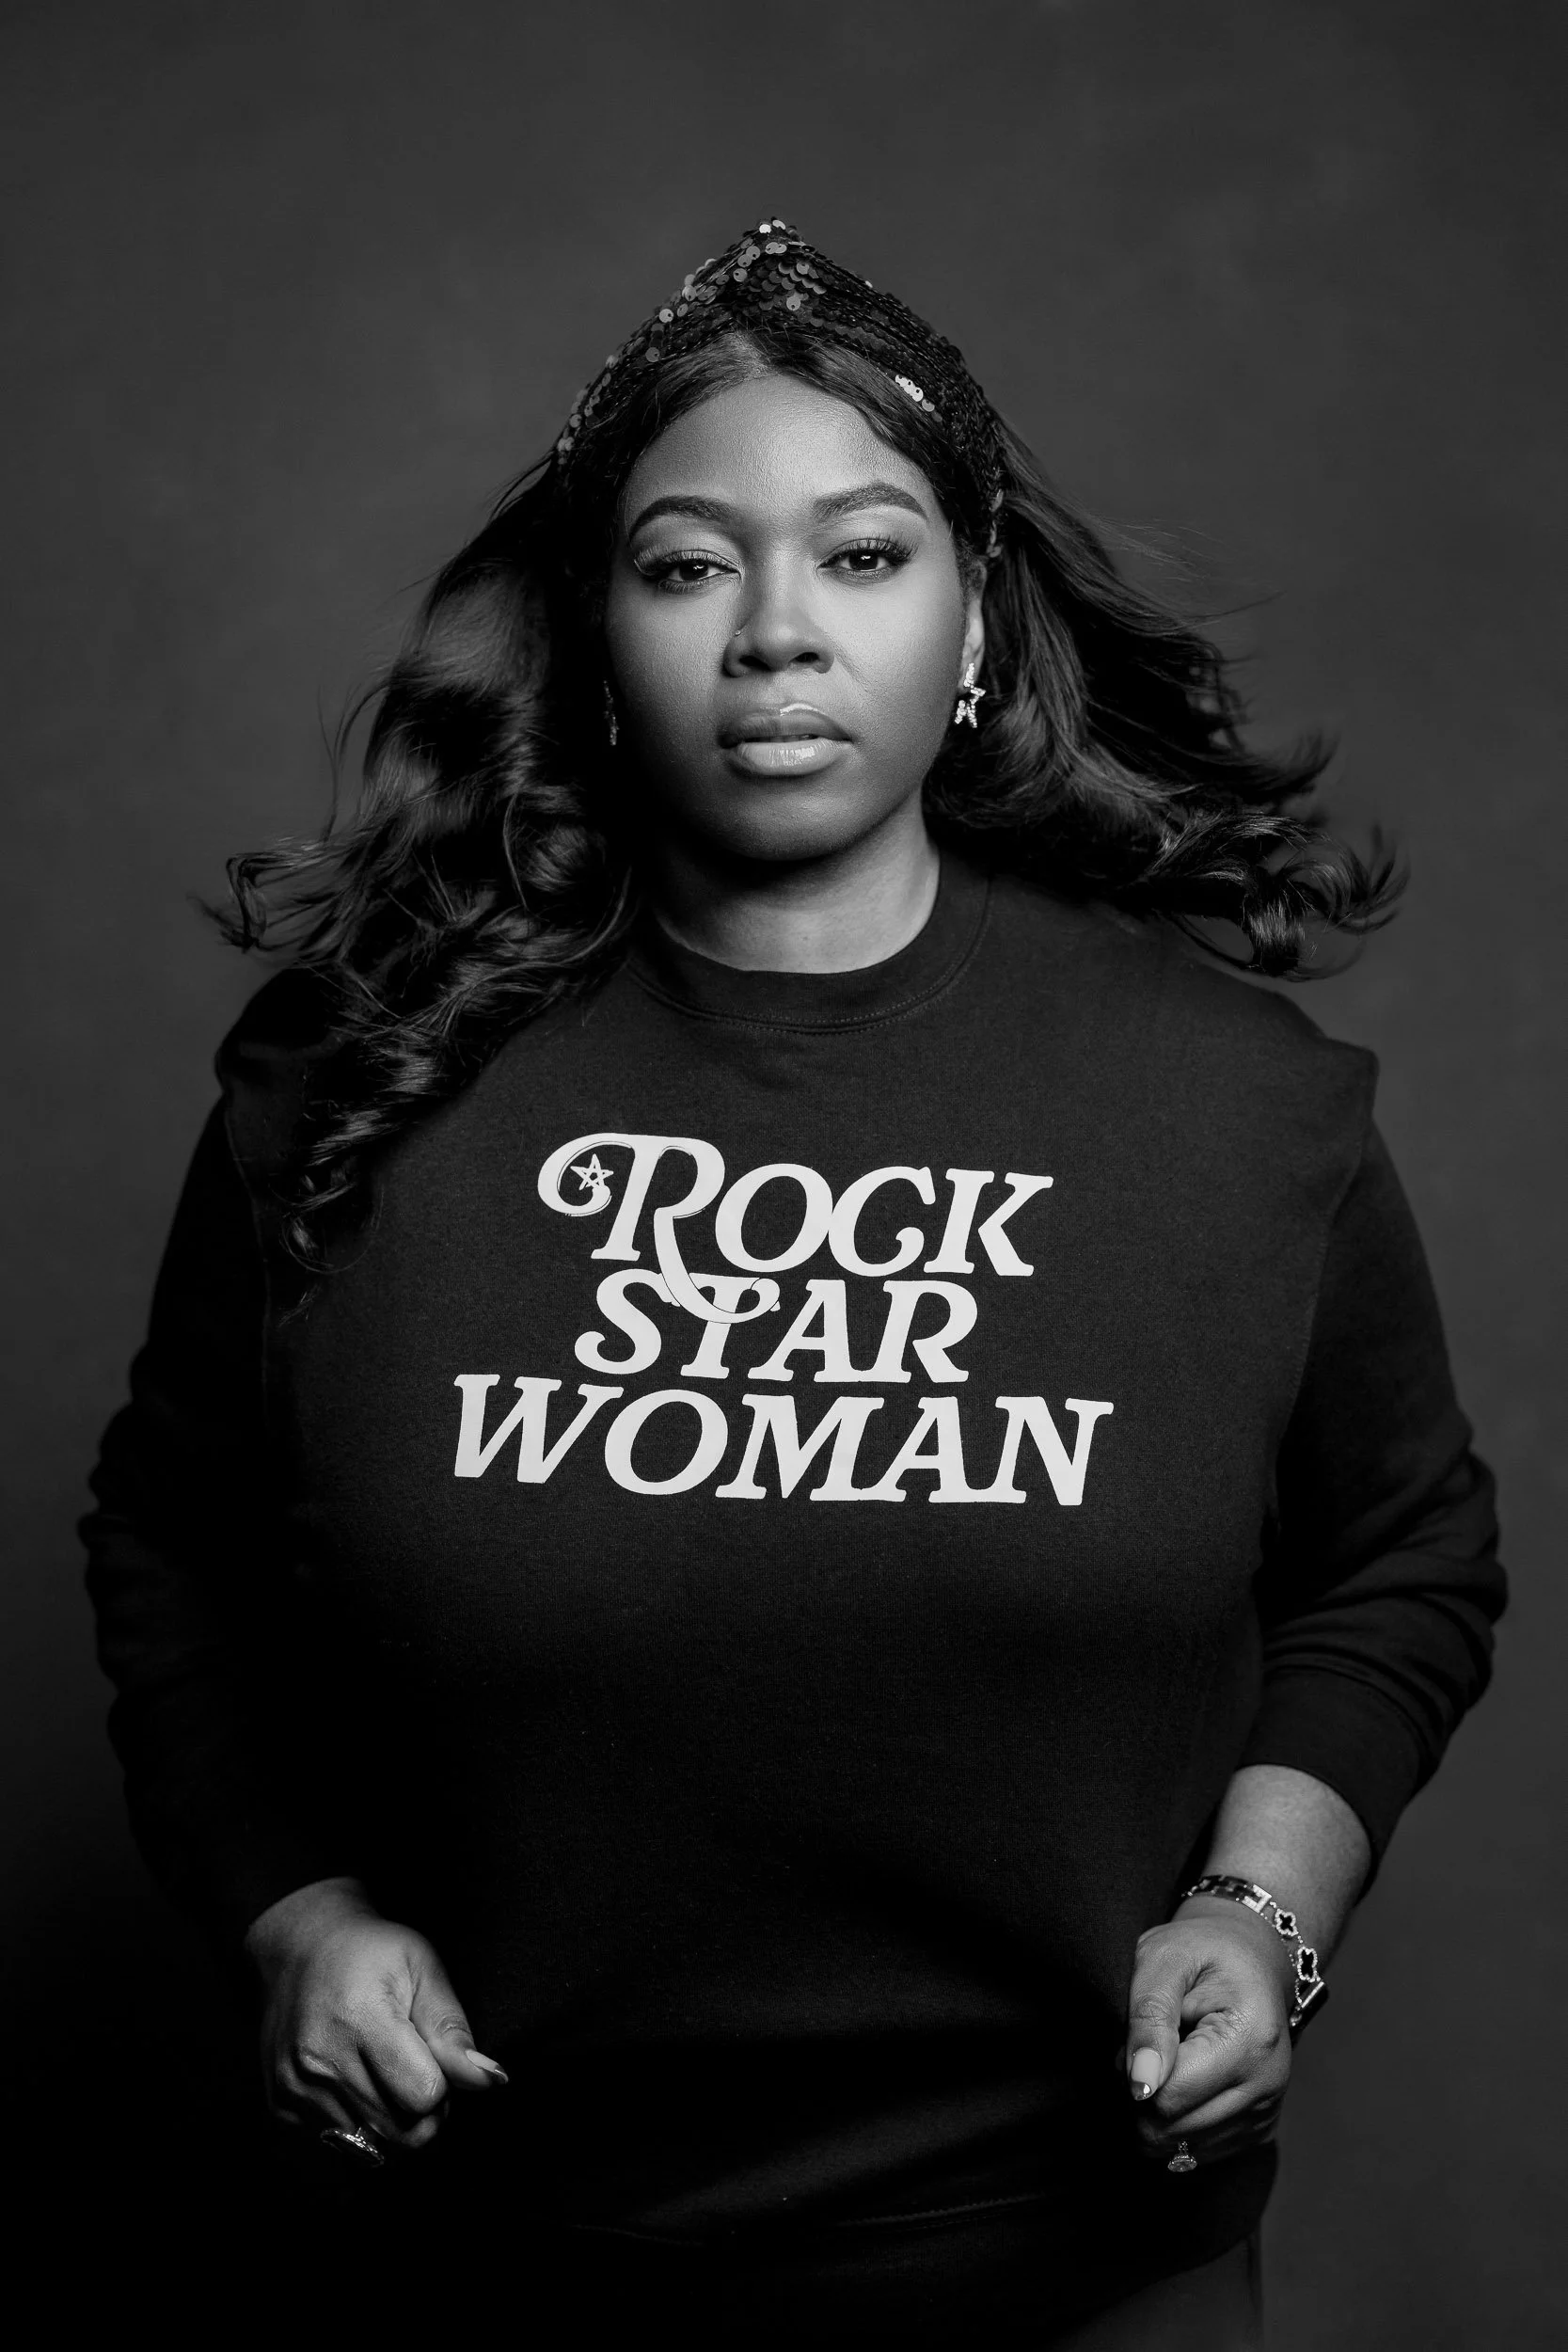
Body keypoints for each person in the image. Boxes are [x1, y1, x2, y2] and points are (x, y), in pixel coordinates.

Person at [83, 219, 1504, 2345]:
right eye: (684, 564)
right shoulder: (354, 1090)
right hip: (485, 2258)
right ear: (594, 631)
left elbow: (1401, 1556)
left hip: (1080, 2269)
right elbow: (174, 1541)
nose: (772, 634)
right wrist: (292, 1915)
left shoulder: (1232, 1112)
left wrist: (1258, 1906)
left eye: (858, 554)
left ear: (966, 624)